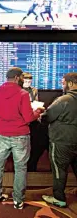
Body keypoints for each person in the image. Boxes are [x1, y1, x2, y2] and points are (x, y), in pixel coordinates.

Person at [0, 67, 44, 210]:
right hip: (20, 135)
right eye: (21, 77)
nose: (23, 80)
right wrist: (38, 112)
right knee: (20, 168)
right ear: (17, 77)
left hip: (2, 135)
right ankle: (18, 201)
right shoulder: (23, 94)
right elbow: (28, 117)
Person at [41, 73, 77, 208]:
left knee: (59, 170)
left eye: (63, 82)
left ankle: (59, 198)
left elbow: (47, 117)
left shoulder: (63, 100)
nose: (62, 85)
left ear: (71, 83)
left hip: (62, 141)